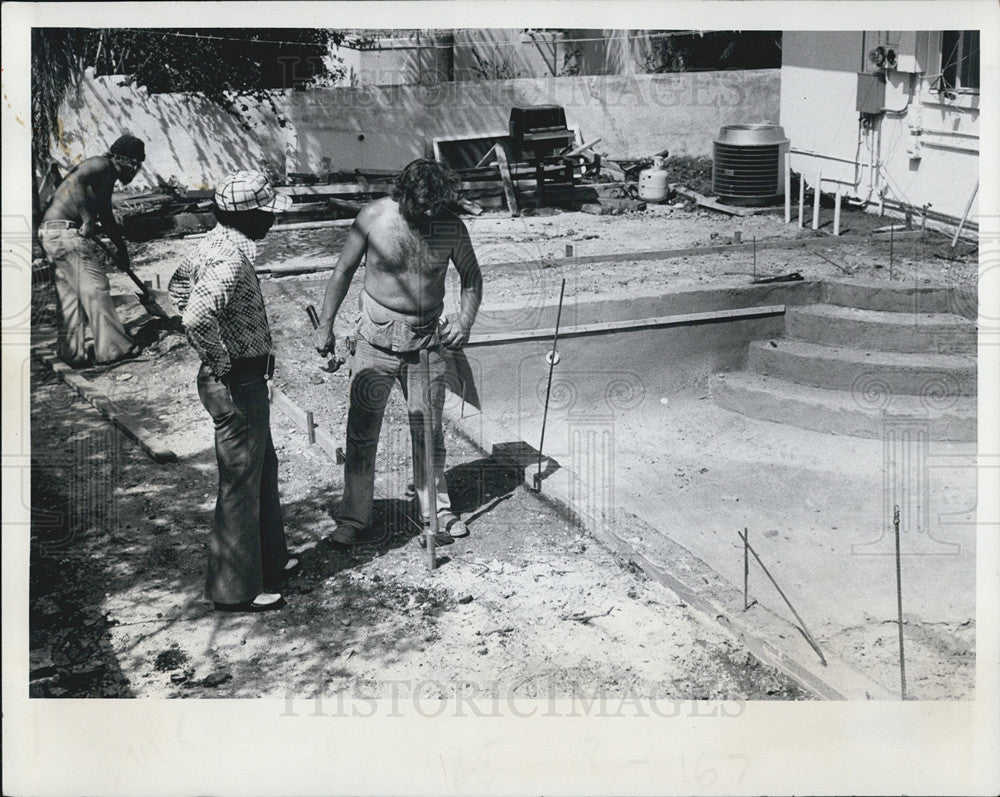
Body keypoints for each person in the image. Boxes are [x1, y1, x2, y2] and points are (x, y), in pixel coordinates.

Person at [314, 159, 483, 549]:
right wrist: (326, 325)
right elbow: (342, 271)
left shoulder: (451, 227)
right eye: (420, 204)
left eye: (434, 205)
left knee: (428, 431)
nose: (427, 213)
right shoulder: (373, 217)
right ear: (403, 195)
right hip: (374, 340)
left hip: (426, 343)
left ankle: (436, 510)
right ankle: (355, 517)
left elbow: (472, 277)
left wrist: (465, 320)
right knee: (362, 431)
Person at [169, 170, 298, 612]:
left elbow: (178, 287)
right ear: (249, 215)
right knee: (241, 479)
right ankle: (236, 589)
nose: (273, 221)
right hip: (236, 378)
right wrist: (221, 360)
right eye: (268, 213)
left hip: (244, 375)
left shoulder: (214, 245)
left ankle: (270, 560)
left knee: (261, 465)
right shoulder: (229, 259)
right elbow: (195, 316)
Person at [37, 134, 146, 366]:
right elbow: (76, 182)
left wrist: (122, 251)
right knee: (96, 288)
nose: (136, 170)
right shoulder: (100, 164)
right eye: (136, 164)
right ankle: (113, 350)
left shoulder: (107, 178)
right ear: (128, 161)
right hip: (65, 234)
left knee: (70, 296)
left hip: (51, 233)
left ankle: (71, 354)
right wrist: (87, 220)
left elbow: (106, 217)